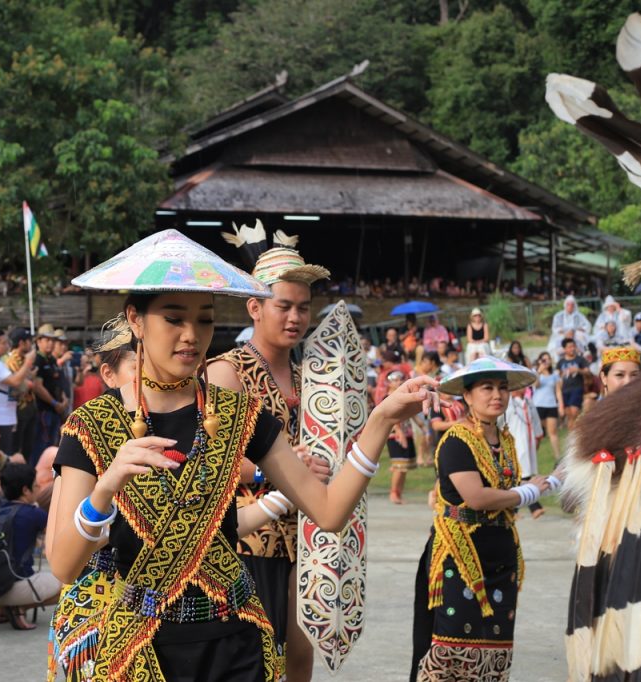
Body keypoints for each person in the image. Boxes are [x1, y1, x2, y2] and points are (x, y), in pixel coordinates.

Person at [48, 230, 435, 681]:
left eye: (205, 320)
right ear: (136, 319)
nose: (191, 336)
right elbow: (63, 565)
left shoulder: (238, 414)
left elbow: (328, 511)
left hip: (236, 647)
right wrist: (106, 488)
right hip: (142, 652)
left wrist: (382, 421)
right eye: (174, 319)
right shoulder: (91, 425)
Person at [209, 224, 332, 680]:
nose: (295, 317)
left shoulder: (312, 379)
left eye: (303, 307)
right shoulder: (226, 371)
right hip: (248, 539)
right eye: (283, 306)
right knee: (255, 659)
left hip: (309, 537)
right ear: (255, 308)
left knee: (302, 652)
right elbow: (210, 463)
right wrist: (274, 472)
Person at [411, 357, 554, 681]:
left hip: (500, 555)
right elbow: (476, 496)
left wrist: (537, 485)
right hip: (461, 555)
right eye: (487, 387)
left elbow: (506, 486)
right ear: (467, 395)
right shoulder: (457, 440)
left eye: (503, 387)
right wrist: (528, 493)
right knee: (452, 648)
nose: (497, 395)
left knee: (495, 648)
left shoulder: (504, 441)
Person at [0, 463, 61, 630]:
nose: (38, 488)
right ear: (25, 490)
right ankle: (20, 608)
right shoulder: (34, 514)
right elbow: (58, 537)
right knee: (69, 582)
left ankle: (2, 609)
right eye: (35, 485)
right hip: (16, 588)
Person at [0, 329, 34, 456]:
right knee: (3, 454)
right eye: (3, 343)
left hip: (6, 416)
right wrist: (28, 362)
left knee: (10, 451)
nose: (7, 346)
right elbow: (15, 381)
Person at [505, 386, 545, 519]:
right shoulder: (509, 402)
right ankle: (534, 507)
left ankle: (514, 510)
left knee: (521, 475)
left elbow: (536, 420)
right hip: (516, 442)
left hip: (529, 442)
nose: (524, 388)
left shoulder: (528, 401)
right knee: (521, 476)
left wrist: (538, 436)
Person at [32, 324, 67, 464]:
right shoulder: (38, 360)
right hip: (44, 410)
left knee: (53, 443)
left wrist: (63, 400)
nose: (50, 343)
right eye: (47, 340)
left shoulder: (51, 360)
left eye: (52, 340)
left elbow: (59, 383)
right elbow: (37, 386)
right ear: (39, 341)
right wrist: (54, 402)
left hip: (56, 409)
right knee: (42, 445)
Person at [6, 328, 39, 462]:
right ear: (21, 343)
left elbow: (30, 381)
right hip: (19, 408)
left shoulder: (24, 359)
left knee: (28, 446)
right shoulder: (12, 360)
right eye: (29, 341)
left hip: (30, 406)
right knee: (18, 446)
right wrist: (30, 376)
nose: (31, 345)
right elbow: (23, 384)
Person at [386, 370, 417, 504]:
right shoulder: (388, 398)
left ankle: (399, 493)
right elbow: (392, 416)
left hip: (406, 432)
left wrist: (421, 426)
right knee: (399, 466)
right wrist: (400, 433)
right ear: (389, 382)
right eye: (395, 380)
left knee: (405, 466)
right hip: (395, 435)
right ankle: (393, 493)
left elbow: (410, 412)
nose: (399, 382)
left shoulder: (404, 395)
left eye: (401, 379)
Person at [532, 352, 562, 459]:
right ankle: (532, 458)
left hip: (551, 405)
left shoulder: (555, 375)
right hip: (538, 405)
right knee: (538, 434)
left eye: (548, 359)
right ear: (539, 361)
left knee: (553, 433)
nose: (546, 362)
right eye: (544, 360)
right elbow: (536, 385)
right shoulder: (535, 373)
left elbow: (558, 391)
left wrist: (561, 405)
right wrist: (539, 371)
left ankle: (558, 457)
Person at [556, 338, 590, 427]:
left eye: (573, 346)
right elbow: (557, 376)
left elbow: (587, 372)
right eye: (569, 347)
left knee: (574, 412)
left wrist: (578, 370)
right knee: (569, 415)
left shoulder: (580, 359)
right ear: (564, 349)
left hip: (577, 388)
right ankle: (572, 435)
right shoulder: (560, 362)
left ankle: (576, 433)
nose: (572, 349)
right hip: (564, 390)